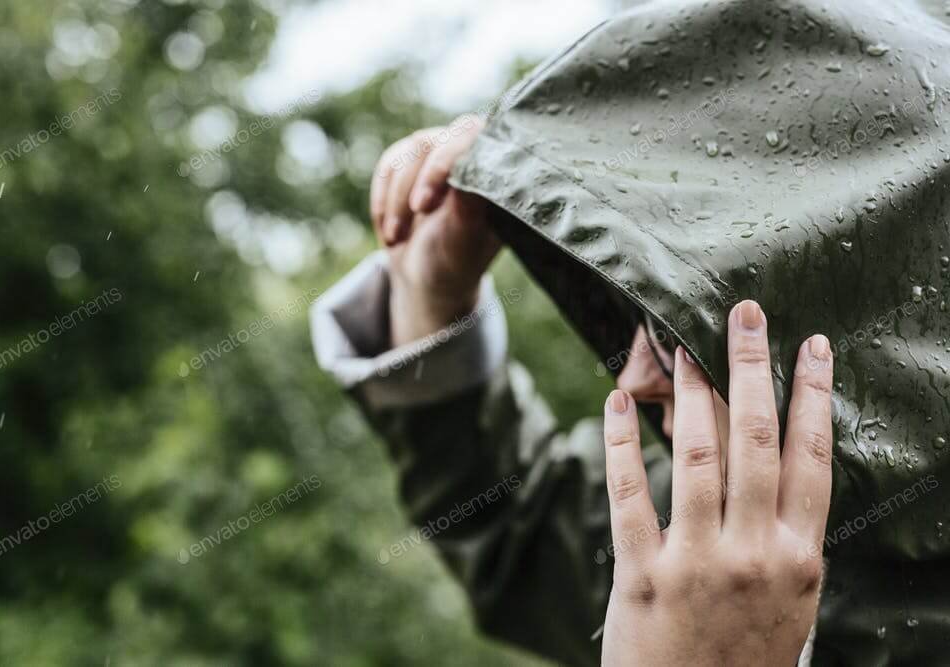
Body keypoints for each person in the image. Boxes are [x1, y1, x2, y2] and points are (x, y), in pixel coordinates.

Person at [313, 0, 950, 663]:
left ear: (843, 348)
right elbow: (515, 529)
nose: (636, 375)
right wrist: (432, 294)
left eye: (683, 328)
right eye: (647, 313)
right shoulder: (720, 543)